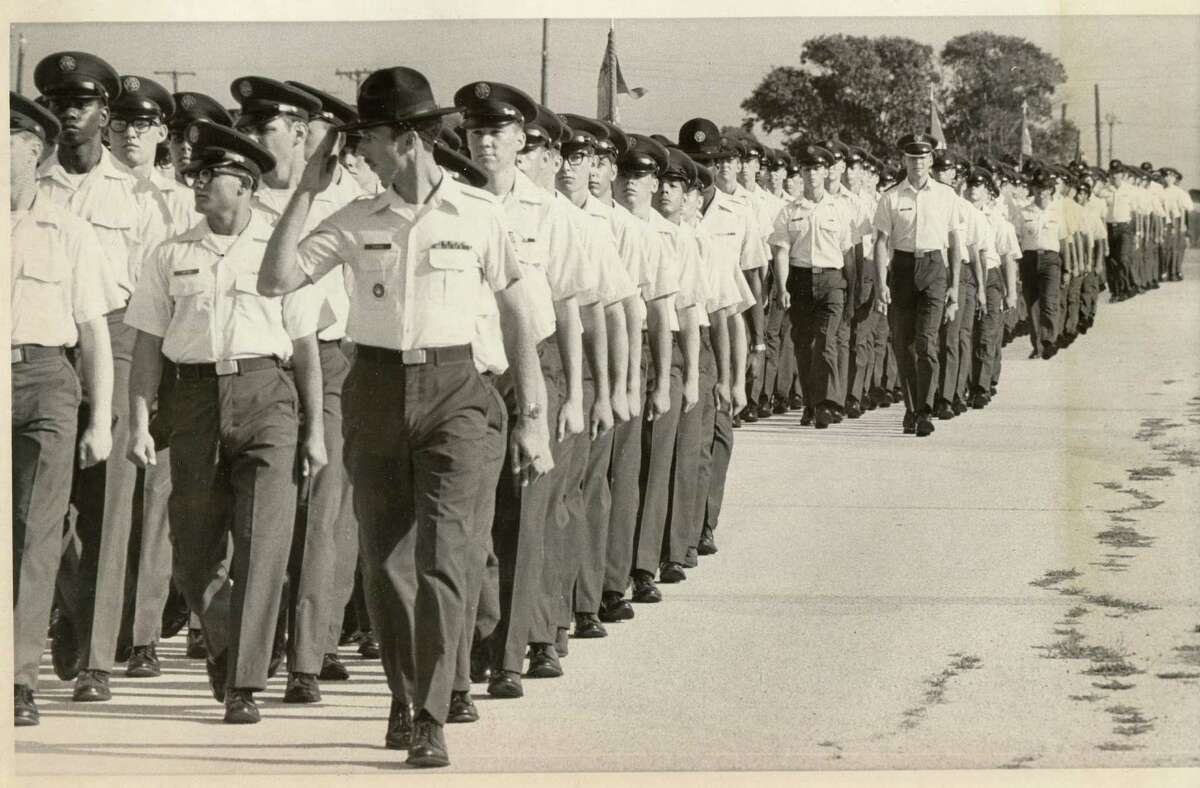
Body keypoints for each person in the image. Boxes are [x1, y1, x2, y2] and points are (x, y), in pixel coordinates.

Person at [258, 66, 552, 767]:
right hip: (377, 390)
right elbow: (276, 279)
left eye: (370, 139)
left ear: (412, 138)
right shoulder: (359, 217)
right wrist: (307, 187)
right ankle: (406, 689)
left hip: (459, 391)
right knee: (386, 564)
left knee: (446, 558)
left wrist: (534, 414)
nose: (359, 152)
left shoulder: (480, 216)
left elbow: (519, 315)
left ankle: (429, 712)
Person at [124, 119, 326, 726]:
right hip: (192, 402)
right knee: (192, 552)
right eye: (194, 177)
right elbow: (145, 347)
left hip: (267, 394)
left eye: (209, 177)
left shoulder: (281, 248)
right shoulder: (171, 254)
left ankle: (244, 681)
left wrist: (314, 429)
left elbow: (306, 344)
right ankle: (227, 640)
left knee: (264, 545)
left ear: (243, 184)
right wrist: (138, 421)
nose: (197, 186)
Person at [34, 49, 168, 702]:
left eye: (80, 104)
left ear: (105, 113)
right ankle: (71, 605)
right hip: (45, 344)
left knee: (111, 507)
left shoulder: (139, 195)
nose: (68, 115)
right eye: (58, 104)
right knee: (45, 512)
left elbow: (152, 299)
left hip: (115, 340)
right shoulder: (30, 182)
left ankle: (95, 661)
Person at [232, 74, 366, 699]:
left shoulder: (356, 198)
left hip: (332, 360)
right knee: (261, 518)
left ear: (303, 133)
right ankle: (252, 645)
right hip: (259, 365)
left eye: (266, 127)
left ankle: (309, 656)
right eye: (248, 125)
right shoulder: (238, 198)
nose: (252, 137)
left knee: (323, 507)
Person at [11, 91, 121, 727]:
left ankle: (20, 676)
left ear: (35, 150)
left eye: (8, 142)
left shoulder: (69, 230)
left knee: (35, 532)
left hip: (49, 381)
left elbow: (95, 330)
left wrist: (101, 419)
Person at [872, 133, 964, 438]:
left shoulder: (946, 196)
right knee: (904, 344)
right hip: (902, 268)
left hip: (935, 268)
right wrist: (881, 282)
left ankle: (925, 410)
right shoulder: (892, 197)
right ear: (904, 161)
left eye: (923, 159)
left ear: (931, 160)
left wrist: (954, 286)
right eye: (912, 159)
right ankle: (910, 410)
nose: (918, 164)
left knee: (926, 342)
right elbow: (881, 242)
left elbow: (954, 242)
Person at [770, 144, 853, 429]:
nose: (812, 175)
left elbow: (848, 253)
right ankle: (810, 401)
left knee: (826, 342)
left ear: (827, 171)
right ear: (801, 173)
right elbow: (781, 251)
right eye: (806, 169)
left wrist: (850, 290)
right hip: (801, 281)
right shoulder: (788, 211)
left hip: (832, 281)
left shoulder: (839, 209)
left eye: (817, 169)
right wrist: (782, 287)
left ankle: (826, 403)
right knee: (804, 347)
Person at [1017, 171, 1071, 360]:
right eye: (1038, 188)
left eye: (1046, 189)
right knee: (1032, 304)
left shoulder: (1057, 212)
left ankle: (1049, 341)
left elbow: (1064, 242)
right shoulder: (1024, 212)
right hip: (1029, 260)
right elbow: (1017, 239)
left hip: (1051, 260)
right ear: (1033, 189)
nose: (1042, 193)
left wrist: (1067, 268)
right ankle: (1037, 346)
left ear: (1051, 190)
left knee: (1049, 301)